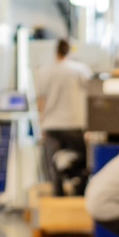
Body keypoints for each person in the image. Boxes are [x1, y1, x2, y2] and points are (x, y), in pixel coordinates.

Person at [35, 38, 93, 196]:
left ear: (56, 52)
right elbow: (92, 96)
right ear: (70, 52)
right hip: (74, 124)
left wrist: (41, 124)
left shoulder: (44, 71)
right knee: (83, 161)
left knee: (52, 165)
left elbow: (40, 101)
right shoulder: (80, 70)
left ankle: (57, 195)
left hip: (51, 125)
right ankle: (79, 193)